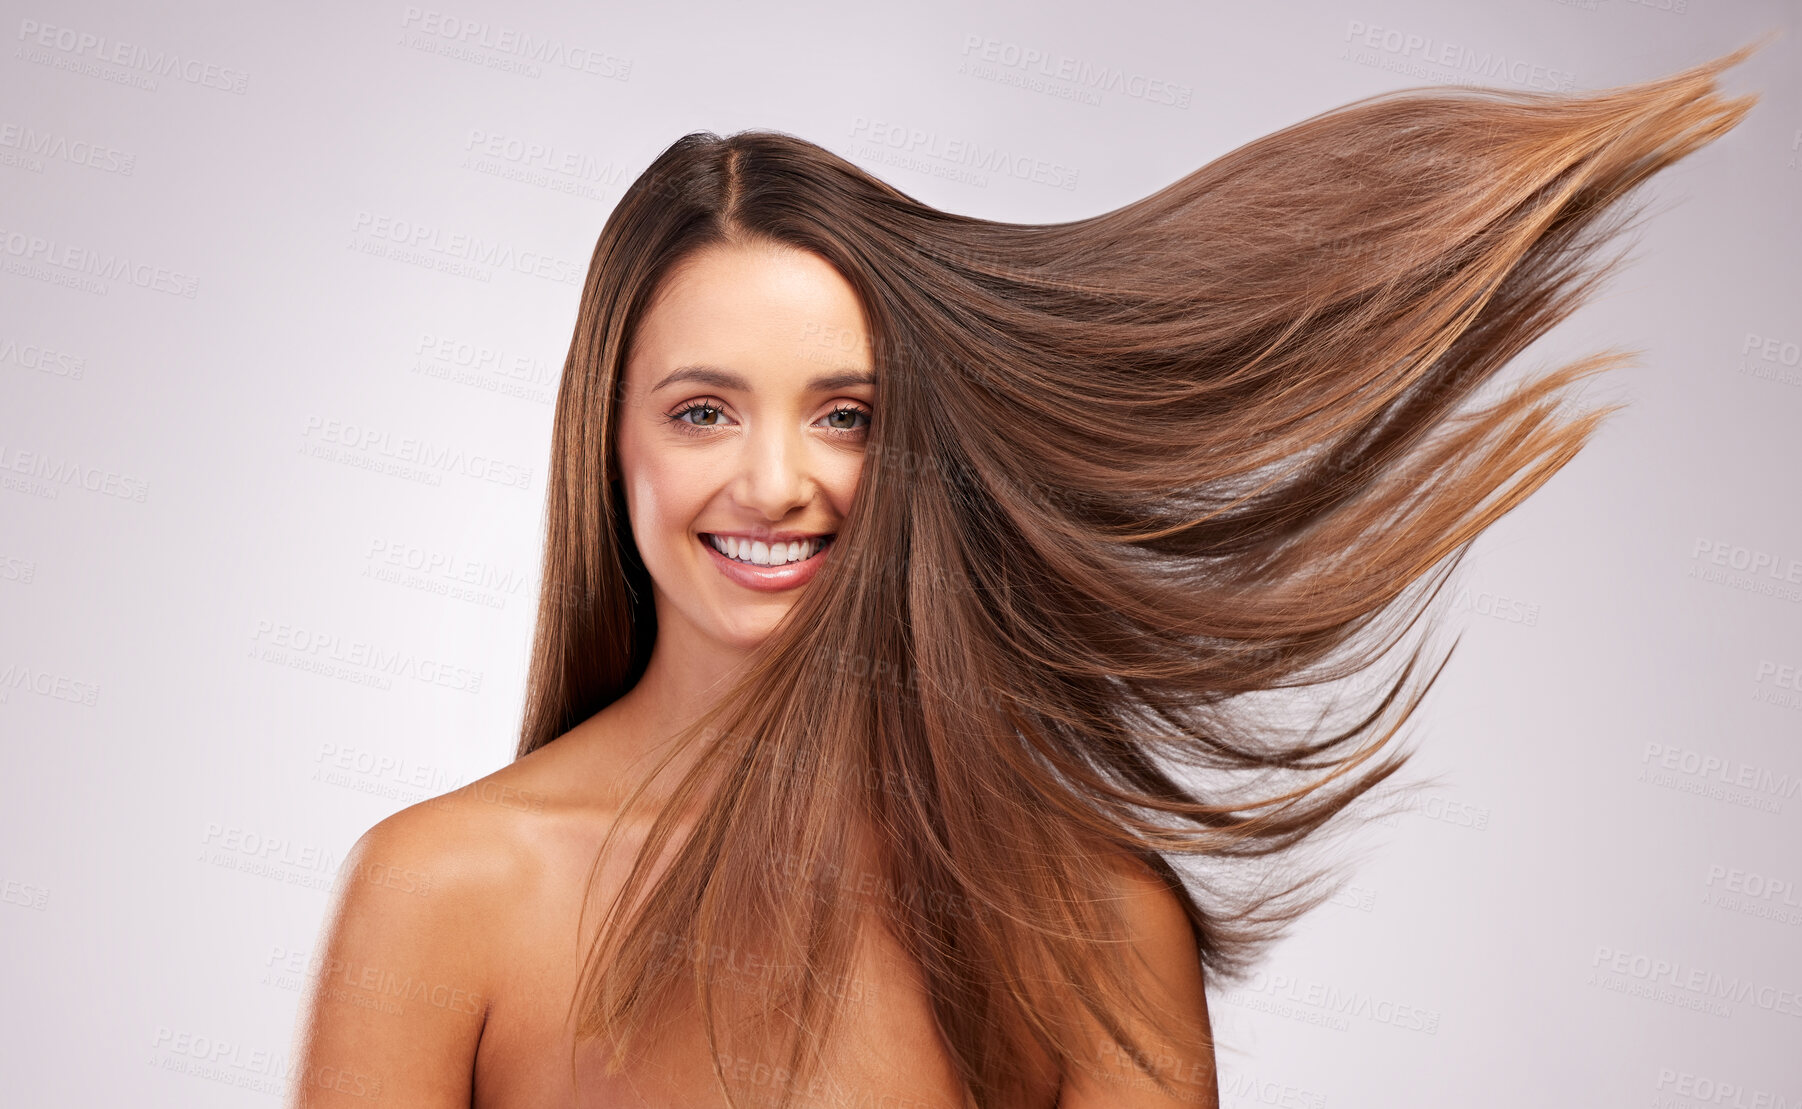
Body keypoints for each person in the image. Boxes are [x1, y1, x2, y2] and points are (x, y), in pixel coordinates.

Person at [287, 39, 1764, 1108]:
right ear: (606, 440)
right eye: (702, 409)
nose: (776, 480)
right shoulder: (445, 890)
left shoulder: (1086, 916)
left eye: (847, 413)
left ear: (920, 445)